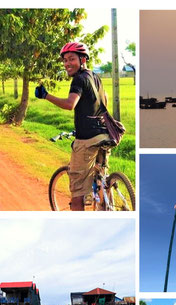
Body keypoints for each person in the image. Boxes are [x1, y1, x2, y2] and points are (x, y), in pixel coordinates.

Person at [35, 41, 109, 211]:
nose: (67, 64)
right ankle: (107, 204)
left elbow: (70, 104)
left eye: (71, 59)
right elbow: (104, 99)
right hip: (104, 135)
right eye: (65, 60)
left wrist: (46, 95)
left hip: (87, 141)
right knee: (101, 181)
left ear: (83, 59)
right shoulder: (95, 77)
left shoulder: (79, 79)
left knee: (77, 193)